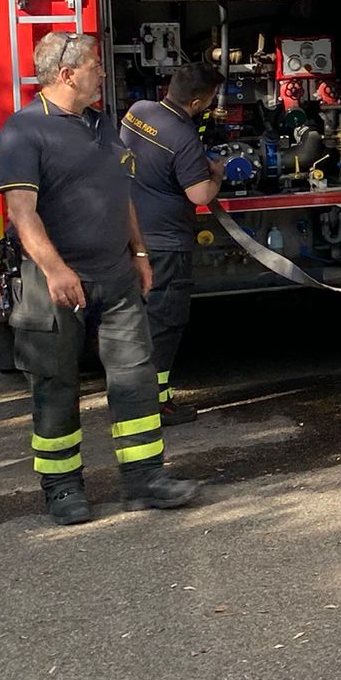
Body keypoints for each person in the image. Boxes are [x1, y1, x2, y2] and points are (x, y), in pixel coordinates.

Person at [0, 31, 200, 525]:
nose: (103, 74)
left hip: (116, 277)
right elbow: (22, 214)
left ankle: (145, 480)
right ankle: (63, 490)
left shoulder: (100, 123)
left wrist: (140, 252)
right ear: (67, 75)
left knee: (135, 378)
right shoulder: (23, 131)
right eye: (95, 66)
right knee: (55, 384)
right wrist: (56, 269)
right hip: (53, 284)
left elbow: (121, 191)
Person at [121, 60, 222, 425]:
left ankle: (137, 396)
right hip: (166, 243)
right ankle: (154, 403)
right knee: (165, 324)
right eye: (210, 100)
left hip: (130, 234)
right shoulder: (184, 137)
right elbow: (198, 195)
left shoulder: (138, 111)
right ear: (197, 103)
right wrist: (217, 176)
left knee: (138, 319)